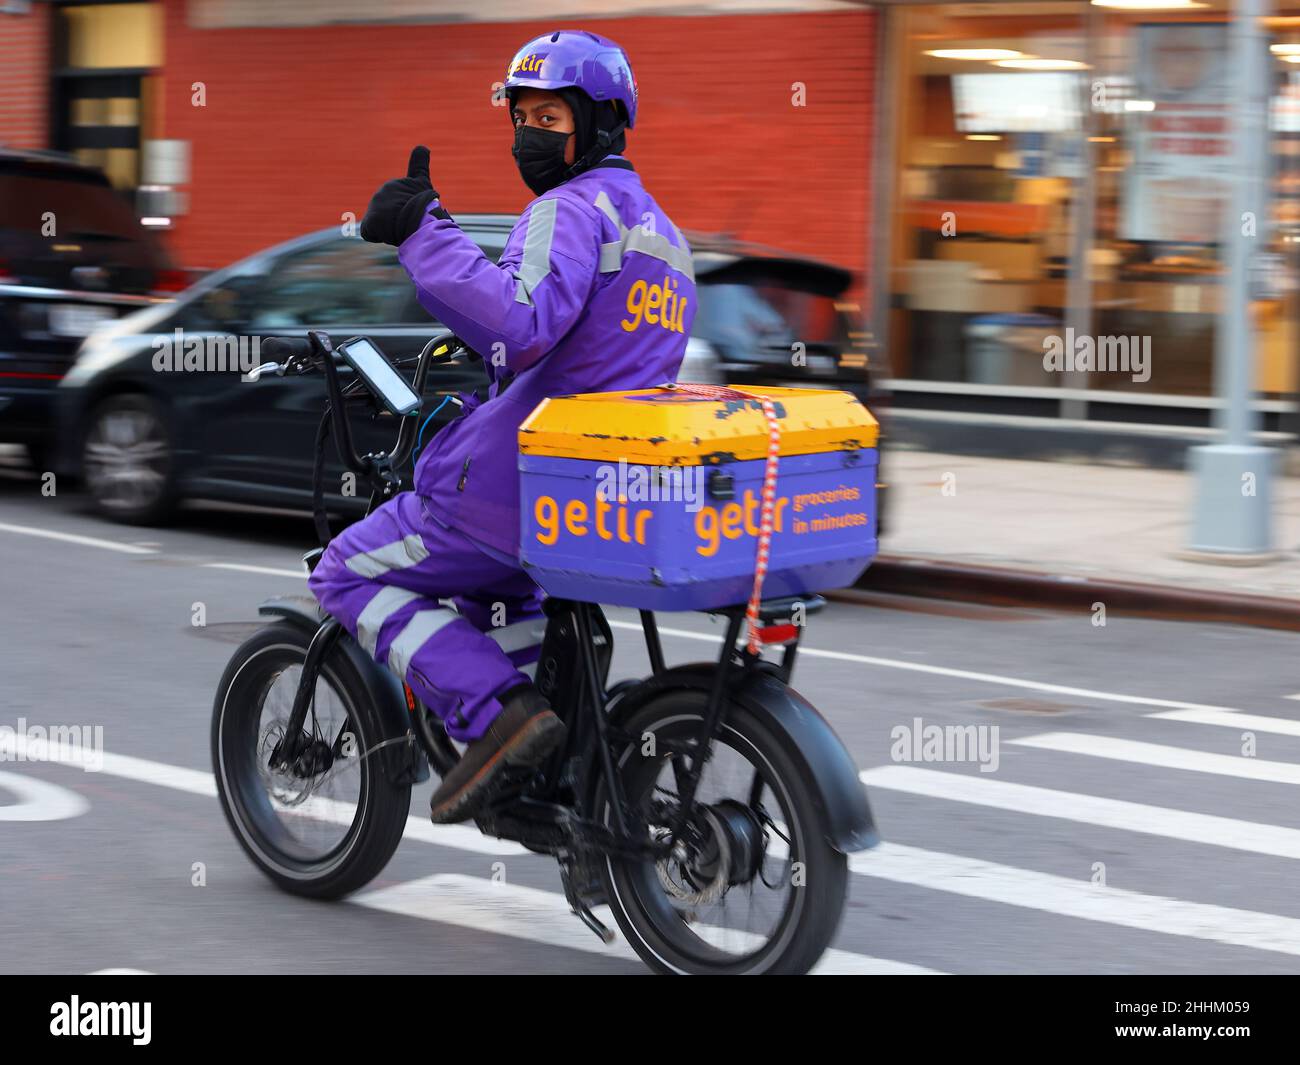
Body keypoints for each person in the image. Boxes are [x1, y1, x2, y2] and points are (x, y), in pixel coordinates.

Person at [307, 29, 697, 824]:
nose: (528, 133)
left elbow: (520, 324)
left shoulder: (568, 209)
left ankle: (496, 718)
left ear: (600, 121)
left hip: (515, 486)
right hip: (591, 495)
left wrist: (424, 229)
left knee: (346, 570)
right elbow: (591, 358)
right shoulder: (669, 241)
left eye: (549, 115)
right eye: (520, 115)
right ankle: (550, 786)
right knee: (501, 601)